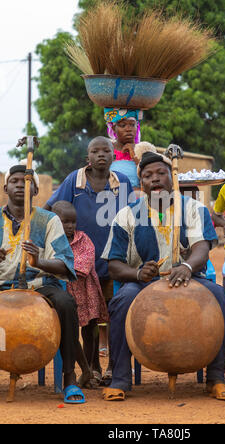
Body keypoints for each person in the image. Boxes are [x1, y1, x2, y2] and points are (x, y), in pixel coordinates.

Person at [101, 150, 225, 402]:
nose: (155, 179)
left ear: (172, 178)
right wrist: (138, 273)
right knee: (121, 303)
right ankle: (120, 378)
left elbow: (202, 249)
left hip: (190, 278)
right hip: (143, 284)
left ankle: (216, 378)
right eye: (148, 175)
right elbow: (115, 265)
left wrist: (186, 266)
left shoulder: (194, 208)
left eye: (161, 173)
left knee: (218, 294)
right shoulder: (126, 215)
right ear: (141, 183)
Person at [44, 136, 134, 385]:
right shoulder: (74, 181)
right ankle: (92, 365)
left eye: (106, 150)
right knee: (90, 319)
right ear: (88, 157)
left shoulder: (122, 182)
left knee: (115, 315)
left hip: (114, 261)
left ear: (113, 156)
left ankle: (115, 367)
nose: (101, 155)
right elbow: (51, 208)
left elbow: (133, 216)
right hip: (81, 265)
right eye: (95, 151)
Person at [0, 164, 85, 404]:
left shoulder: (49, 220)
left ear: (36, 190)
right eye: (15, 181)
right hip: (2, 286)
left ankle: (69, 378)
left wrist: (39, 260)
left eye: (26, 182)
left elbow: (65, 263)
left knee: (66, 303)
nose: (20, 185)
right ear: (6, 187)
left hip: (39, 285)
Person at [52, 200, 109, 387]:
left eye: (73, 222)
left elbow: (83, 265)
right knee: (69, 331)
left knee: (90, 330)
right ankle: (82, 370)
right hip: (64, 293)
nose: (70, 226)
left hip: (87, 292)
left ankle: (92, 368)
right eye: (64, 222)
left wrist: (58, 268)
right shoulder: (50, 240)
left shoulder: (83, 239)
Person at [104, 108, 143, 191]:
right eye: (123, 125)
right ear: (114, 128)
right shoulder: (106, 150)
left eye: (132, 125)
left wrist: (135, 155)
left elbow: (150, 176)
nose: (128, 129)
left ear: (137, 126)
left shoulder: (143, 150)